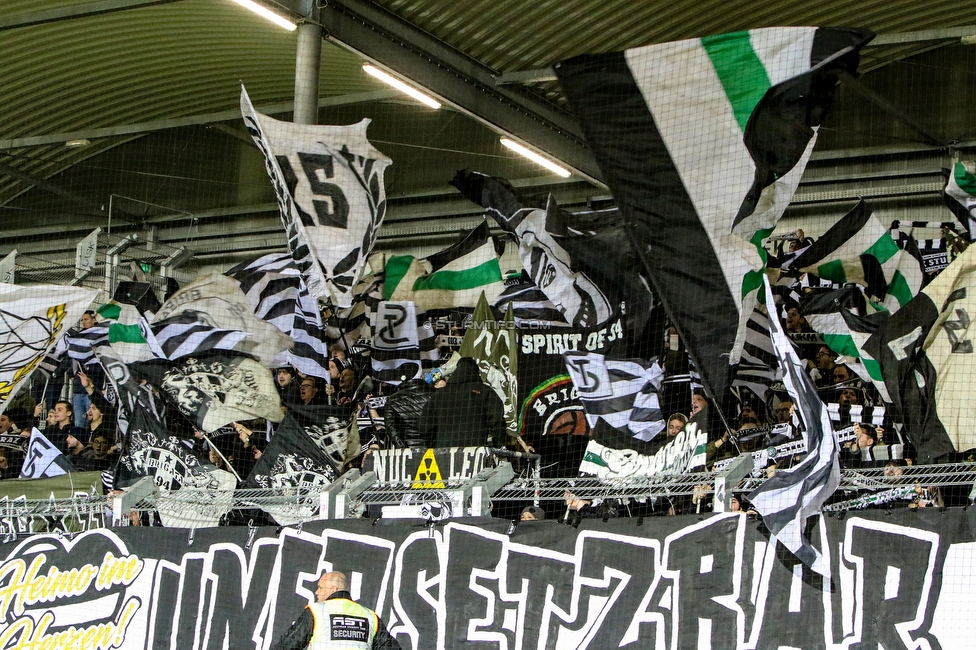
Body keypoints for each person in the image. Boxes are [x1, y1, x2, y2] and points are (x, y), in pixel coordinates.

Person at [271, 571, 400, 650]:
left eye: (320, 588)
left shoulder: (315, 612)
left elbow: (286, 646)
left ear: (333, 589)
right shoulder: (370, 616)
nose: (317, 592)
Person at [418, 357, 505, 448]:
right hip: (474, 454)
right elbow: (498, 422)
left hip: (443, 453)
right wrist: (498, 447)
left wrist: (434, 447)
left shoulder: (438, 396)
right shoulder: (484, 391)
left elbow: (424, 427)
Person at [384, 379, 436, 448]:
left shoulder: (392, 399)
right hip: (435, 447)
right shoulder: (435, 394)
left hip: (409, 448)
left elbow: (391, 429)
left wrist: (402, 448)